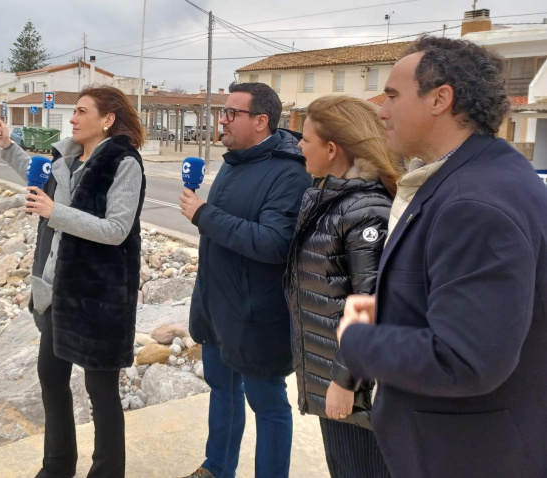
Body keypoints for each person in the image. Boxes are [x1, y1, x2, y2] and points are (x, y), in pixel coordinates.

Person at [336, 36, 547, 478]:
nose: (381, 111)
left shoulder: (474, 203)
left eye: (392, 96)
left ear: (440, 99)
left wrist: (356, 340)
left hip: (465, 454)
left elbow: (467, 359)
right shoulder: (485, 171)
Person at [0, 85, 146, 478]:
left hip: (98, 296)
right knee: (51, 379)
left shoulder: (124, 163)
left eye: (80, 111)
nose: (72, 118)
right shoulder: (68, 158)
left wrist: (54, 211)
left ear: (107, 120)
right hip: (56, 290)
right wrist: (8, 146)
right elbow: (39, 176)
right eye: (73, 112)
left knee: (101, 392)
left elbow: (116, 229)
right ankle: (58, 467)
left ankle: (107, 472)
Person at [179, 82, 311, 478]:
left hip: (256, 314)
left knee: (267, 404)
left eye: (231, 113)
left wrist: (204, 214)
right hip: (216, 306)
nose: (223, 120)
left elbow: (274, 243)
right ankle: (217, 467)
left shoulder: (290, 174)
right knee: (223, 391)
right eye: (223, 112)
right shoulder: (234, 162)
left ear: (261, 121)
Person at [285, 95, 401, 477]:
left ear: (332, 149)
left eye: (305, 139)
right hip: (328, 377)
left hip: (354, 391)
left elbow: (367, 302)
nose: (298, 146)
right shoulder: (327, 198)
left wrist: (343, 381)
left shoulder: (366, 209)